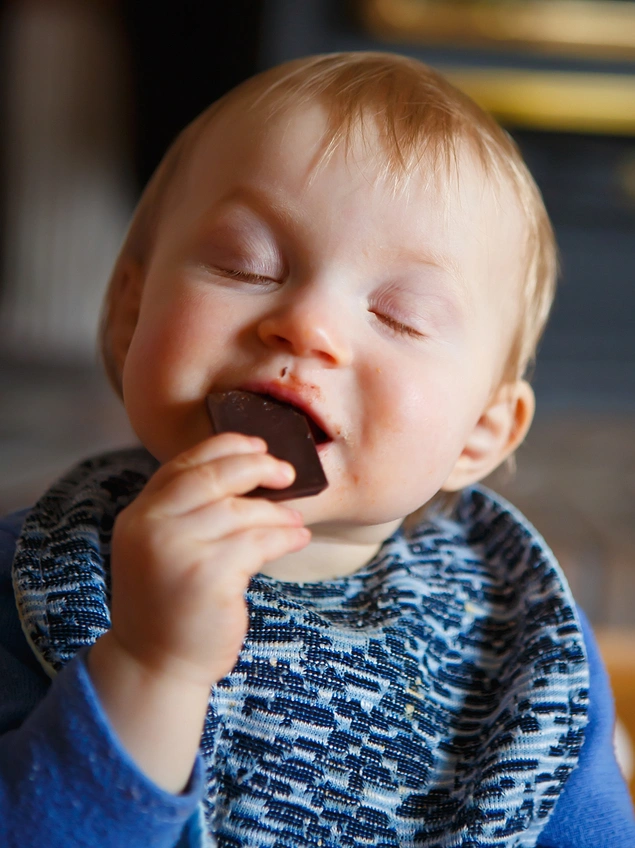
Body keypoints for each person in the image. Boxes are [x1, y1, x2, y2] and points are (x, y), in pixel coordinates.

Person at [0, 52, 633, 848]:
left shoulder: (522, 650)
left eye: (400, 316)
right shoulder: (34, 576)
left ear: (480, 433)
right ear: (130, 314)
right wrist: (149, 670)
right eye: (245, 265)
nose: (306, 327)